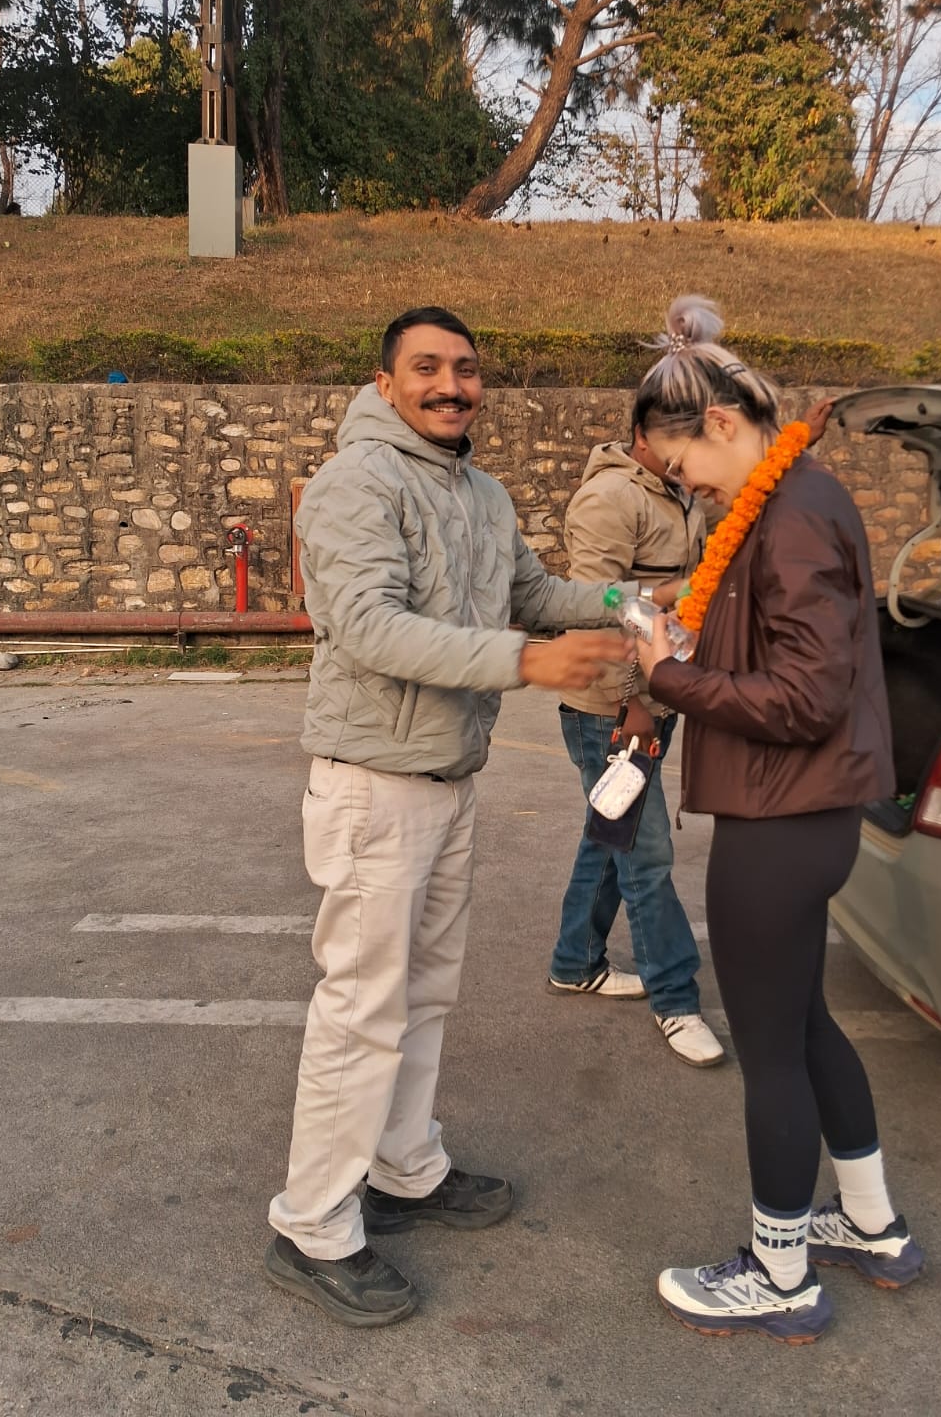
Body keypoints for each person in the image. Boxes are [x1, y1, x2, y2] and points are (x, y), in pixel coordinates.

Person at [265, 306, 633, 1330]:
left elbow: (536, 590)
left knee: (422, 995)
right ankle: (313, 1224)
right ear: (386, 383)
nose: (451, 385)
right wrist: (523, 661)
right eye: (427, 367)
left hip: (448, 779)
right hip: (374, 785)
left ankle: (404, 1167)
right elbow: (371, 625)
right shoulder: (357, 483)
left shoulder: (479, 490)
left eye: (466, 369)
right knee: (360, 1009)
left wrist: (631, 603)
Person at [633, 296, 925, 1345]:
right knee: (802, 1021)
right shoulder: (789, 499)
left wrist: (668, 674)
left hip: (780, 815)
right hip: (806, 813)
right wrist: (689, 643)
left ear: (718, 425)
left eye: (679, 468)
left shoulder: (790, 511)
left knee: (770, 1047)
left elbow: (802, 697)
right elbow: (792, 664)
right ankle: (875, 1226)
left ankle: (780, 1271)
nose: (683, 489)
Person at [547, 416, 725, 1067]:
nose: (692, 454)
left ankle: (575, 961)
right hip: (611, 710)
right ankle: (676, 1000)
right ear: (644, 432)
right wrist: (631, 703)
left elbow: (680, 595)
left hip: (658, 693)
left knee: (608, 838)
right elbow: (607, 605)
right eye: (682, 438)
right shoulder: (609, 499)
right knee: (646, 857)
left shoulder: (676, 491)